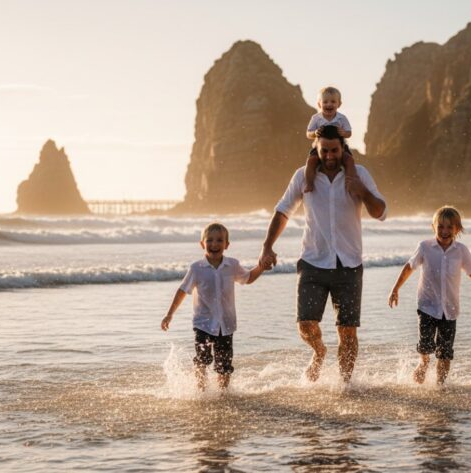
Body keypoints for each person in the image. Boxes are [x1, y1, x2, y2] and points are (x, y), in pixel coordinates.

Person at [259, 125, 386, 383]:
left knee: (347, 332)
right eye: (324, 150)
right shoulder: (302, 177)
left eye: (335, 150)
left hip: (349, 265)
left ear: (343, 149)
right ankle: (319, 352)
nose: (329, 156)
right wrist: (267, 246)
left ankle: (345, 384)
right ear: (316, 149)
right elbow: (283, 211)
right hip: (313, 262)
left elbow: (381, 212)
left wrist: (360, 190)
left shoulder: (359, 174)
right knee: (305, 324)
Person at [388, 206, 471, 385]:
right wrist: (395, 288)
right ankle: (423, 363)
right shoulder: (425, 247)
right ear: (434, 227)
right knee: (426, 346)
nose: (444, 231)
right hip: (427, 306)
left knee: (445, 353)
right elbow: (409, 267)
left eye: (449, 227)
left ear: (457, 229)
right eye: (440, 227)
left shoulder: (461, 250)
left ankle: (440, 387)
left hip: (450, 309)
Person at [161, 223, 266, 390]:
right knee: (202, 359)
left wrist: (261, 267)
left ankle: (223, 393)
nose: (214, 244)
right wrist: (170, 314)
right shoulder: (197, 268)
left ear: (227, 244)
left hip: (226, 325)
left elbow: (248, 278)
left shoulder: (232, 265)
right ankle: (201, 390)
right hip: (203, 324)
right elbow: (182, 290)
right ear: (202, 243)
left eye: (219, 240)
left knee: (224, 364)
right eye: (209, 240)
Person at [304, 86, 354, 193]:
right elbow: (308, 134)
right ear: (319, 104)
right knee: (311, 161)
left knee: (349, 160)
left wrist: (344, 133)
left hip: (341, 147)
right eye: (325, 102)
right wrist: (315, 133)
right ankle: (309, 183)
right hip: (319, 148)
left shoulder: (342, 118)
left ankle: (350, 182)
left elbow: (349, 133)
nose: (329, 104)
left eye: (333, 101)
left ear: (339, 104)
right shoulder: (316, 118)